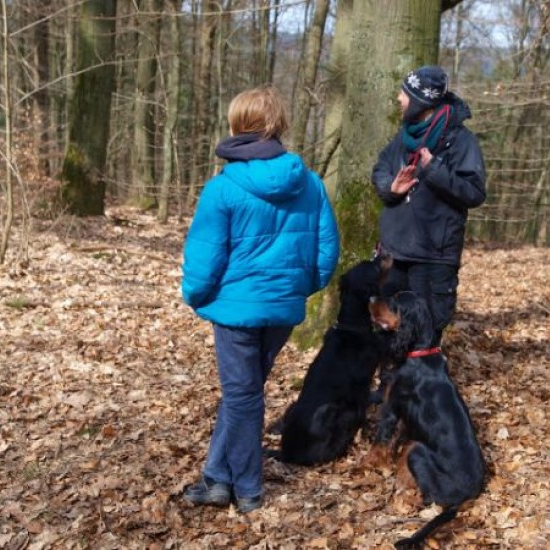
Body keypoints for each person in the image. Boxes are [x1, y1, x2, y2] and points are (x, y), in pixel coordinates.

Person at [181, 86, 340, 513]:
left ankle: (248, 489)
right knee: (244, 394)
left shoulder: (222, 188)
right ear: (277, 125)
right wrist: (298, 288)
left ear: (237, 125)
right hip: (280, 308)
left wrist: (194, 295)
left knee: (243, 396)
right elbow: (326, 252)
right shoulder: (310, 183)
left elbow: (204, 257)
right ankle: (216, 479)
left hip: (237, 310)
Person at [372, 65, 486, 346]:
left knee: (424, 340)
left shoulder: (460, 141)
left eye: (404, 94)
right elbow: (380, 169)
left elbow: (474, 192)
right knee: (385, 337)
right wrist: (391, 187)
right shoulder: (404, 136)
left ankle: (419, 377)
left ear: (421, 101)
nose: (399, 98)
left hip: (433, 259)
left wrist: (435, 170)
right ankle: (389, 376)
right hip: (393, 256)